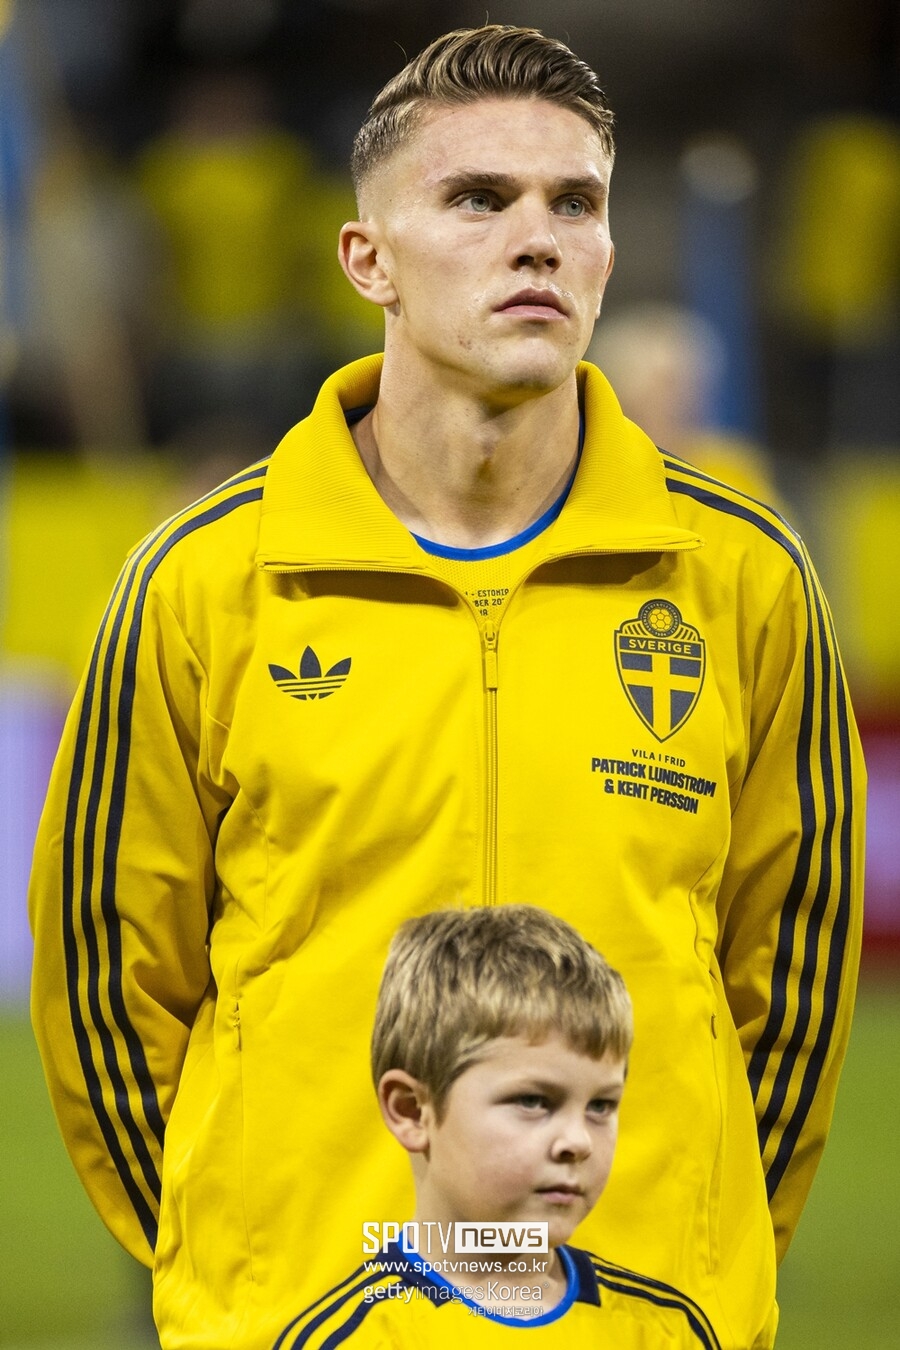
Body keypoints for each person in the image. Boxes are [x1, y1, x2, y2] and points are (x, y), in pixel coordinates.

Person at [28, 24, 865, 1350]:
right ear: (368, 258)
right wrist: (238, 1262)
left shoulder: (744, 579)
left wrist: (689, 1268)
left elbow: (794, 985)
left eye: (574, 203)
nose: (537, 240)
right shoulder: (200, 583)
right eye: (479, 199)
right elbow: (103, 983)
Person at [273, 905, 722, 1348]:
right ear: (411, 1111)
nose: (578, 1141)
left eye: (601, 1106)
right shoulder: (351, 1340)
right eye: (533, 1101)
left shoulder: (669, 1332)